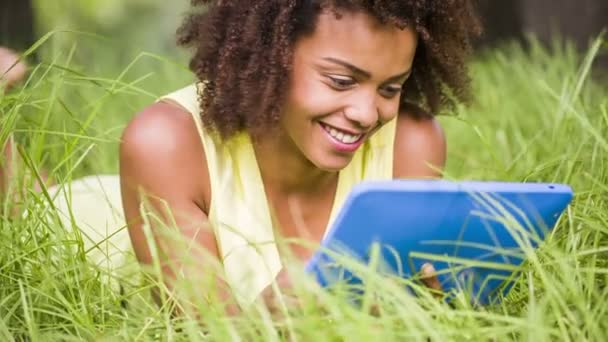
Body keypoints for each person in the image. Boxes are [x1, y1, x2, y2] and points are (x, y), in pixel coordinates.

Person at [1, 0, 480, 315]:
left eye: (390, 88)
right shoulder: (164, 141)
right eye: (340, 81)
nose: (364, 112)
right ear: (271, 55)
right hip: (101, 230)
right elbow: (203, 327)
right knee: (24, 204)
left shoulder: (412, 142)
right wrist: (272, 321)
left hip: (170, 200)